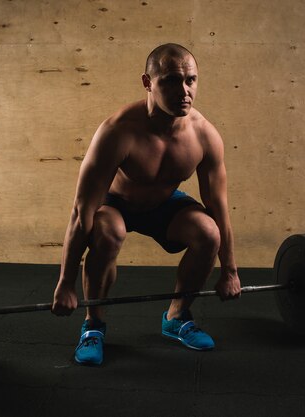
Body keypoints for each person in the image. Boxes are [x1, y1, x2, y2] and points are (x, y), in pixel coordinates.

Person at [51, 43, 241, 365]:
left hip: (164, 203)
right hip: (117, 203)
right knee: (108, 232)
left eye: (191, 80)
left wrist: (230, 271)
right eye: (169, 80)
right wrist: (65, 282)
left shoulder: (204, 135)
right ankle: (93, 325)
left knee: (209, 233)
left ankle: (177, 318)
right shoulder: (118, 131)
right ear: (147, 82)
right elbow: (82, 209)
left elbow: (218, 206)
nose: (184, 91)